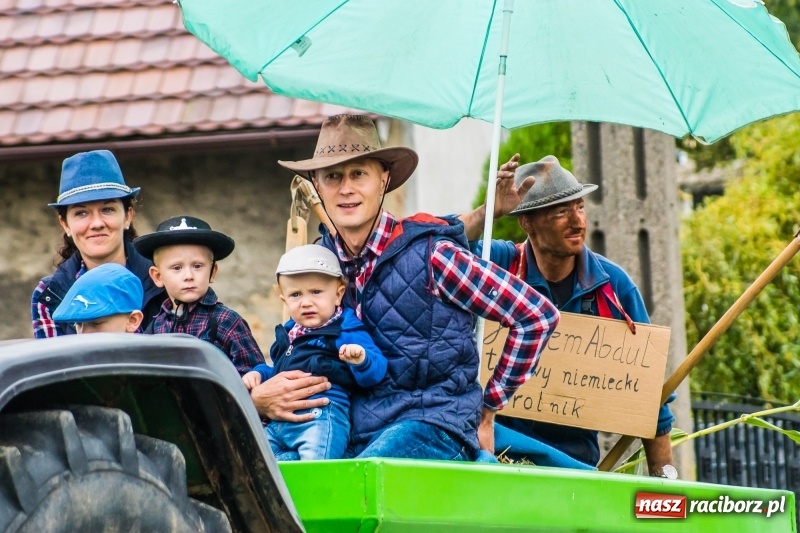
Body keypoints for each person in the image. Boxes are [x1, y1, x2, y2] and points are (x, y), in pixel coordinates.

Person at [250, 114, 560, 461]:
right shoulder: (318, 266)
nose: (346, 188)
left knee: (362, 478)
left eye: (358, 174)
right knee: (261, 477)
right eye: (333, 176)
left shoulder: (434, 255)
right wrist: (259, 398)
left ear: (384, 181)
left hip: (430, 425)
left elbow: (536, 316)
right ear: (317, 184)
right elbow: (299, 346)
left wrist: (488, 408)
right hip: (342, 431)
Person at [471, 154, 676, 476]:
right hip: (499, 460)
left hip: (576, 469)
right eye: (561, 212)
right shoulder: (496, 264)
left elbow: (650, 397)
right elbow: (431, 242)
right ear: (527, 222)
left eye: (579, 207)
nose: (578, 221)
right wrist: (488, 212)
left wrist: (665, 481)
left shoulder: (612, 286)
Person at [243, 244, 387, 460]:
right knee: (256, 465)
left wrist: (361, 360)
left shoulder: (343, 328)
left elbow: (377, 370)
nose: (306, 302)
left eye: (316, 292)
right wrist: (259, 374)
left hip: (321, 416)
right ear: (284, 300)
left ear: (338, 295)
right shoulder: (291, 331)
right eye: (295, 295)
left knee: (315, 470)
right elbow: (278, 369)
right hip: (280, 422)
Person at [32, 150, 166, 338]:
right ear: (65, 224)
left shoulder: (167, 279)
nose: (96, 223)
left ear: (128, 216)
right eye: (81, 213)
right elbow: (56, 365)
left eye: (107, 209)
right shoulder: (48, 295)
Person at [133, 215, 265, 376]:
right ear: (157, 276)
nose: (188, 275)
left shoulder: (226, 321)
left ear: (212, 272)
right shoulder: (156, 326)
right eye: (176, 268)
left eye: (197, 266)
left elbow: (254, 374)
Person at [52, 263, 144, 334]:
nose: (82, 334)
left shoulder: (153, 357)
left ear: (133, 320)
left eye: (95, 323)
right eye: (78, 324)